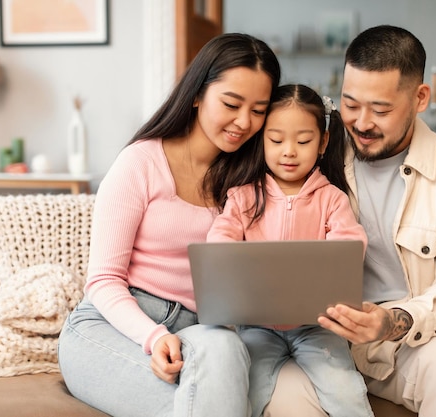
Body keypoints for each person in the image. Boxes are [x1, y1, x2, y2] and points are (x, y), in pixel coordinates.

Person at [268, 25, 436, 417]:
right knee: (284, 398)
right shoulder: (314, 149)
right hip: (314, 337)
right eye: (350, 103)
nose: (360, 122)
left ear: (420, 97)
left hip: (406, 339)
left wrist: (389, 321)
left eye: (380, 109)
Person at [57, 33, 281, 417]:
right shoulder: (140, 163)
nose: (244, 122)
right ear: (196, 94)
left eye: (259, 110)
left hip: (202, 328)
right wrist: (153, 335)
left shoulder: (250, 180)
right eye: (231, 103)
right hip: (114, 324)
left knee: (226, 355)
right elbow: (103, 281)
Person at [207, 84, 373, 417]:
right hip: (256, 325)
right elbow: (219, 241)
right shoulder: (244, 197)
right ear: (261, 140)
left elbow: (351, 245)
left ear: (323, 142)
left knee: (346, 390)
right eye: (277, 140)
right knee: (245, 390)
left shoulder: (332, 199)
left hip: (318, 325)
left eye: (303, 141)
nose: (289, 152)